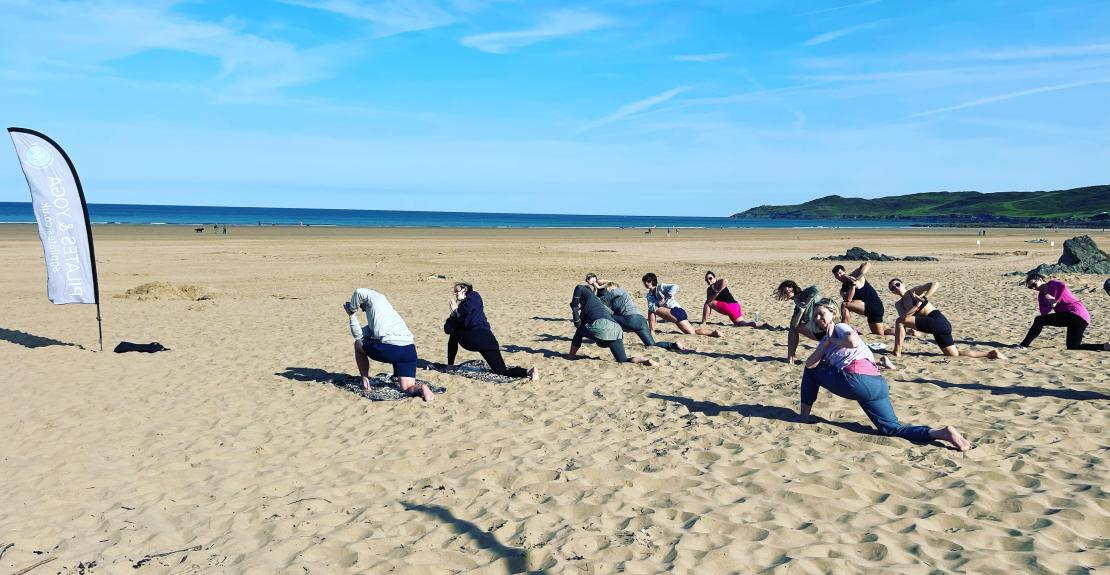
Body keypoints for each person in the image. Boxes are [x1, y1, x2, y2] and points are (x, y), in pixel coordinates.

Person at [794, 299, 972, 451]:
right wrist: (826, 345)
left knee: (812, 371)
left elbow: (852, 341)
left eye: (821, 313)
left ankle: (803, 417)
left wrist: (832, 340)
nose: (818, 318)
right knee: (892, 429)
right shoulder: (826, 339)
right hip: (877, 384)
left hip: (857, 382)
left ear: (833, 313)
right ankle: (942, 433)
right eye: (815, 315)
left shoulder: (840, 327)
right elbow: (811, 362)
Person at [345, 288, 434, 401]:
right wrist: (351, 316)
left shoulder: (376, 298)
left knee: (358, 346)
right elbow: (358, 335)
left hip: (391, 351)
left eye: (361, 306)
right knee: (406, 388)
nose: (362, 310)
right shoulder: (385, 318)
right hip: (409, 350)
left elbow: (359, 291)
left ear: (362, 301)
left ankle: (365, 380)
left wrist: (352, 309)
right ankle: (422, 388)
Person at [888, 279, 1004, 360]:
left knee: (899, 321)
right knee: (954, 354)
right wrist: (917, 306)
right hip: (933, 326)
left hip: (937, 320)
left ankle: (897, 352)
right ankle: (990, 353)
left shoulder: (913, 292)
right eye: (893, 288)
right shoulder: (899, 305)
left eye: (897, 284)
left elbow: (935, 283)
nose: (896, 288)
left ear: (902, 284)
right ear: (893, 292)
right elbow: (906, 318)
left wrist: (925, 297)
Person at [444, 283, 537, 380]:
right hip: (488, 340)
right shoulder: (462, 308)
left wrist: (455, 313)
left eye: (457, 290)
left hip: (475, 339)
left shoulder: (473, 296)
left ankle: (450, 366)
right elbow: (447, 328)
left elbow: (451, 326)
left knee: (454, 333)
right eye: (454, 292)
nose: (455, 293)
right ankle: (529, 372)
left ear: (465, 289)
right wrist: (454, 314)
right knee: (502, 372)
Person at [568, 284, 656, 365]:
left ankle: (571, 356)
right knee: (623, 360)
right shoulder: (594, 307)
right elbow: (578, 324)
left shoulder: (590, 297)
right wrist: (575, 311)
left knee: (579, 332)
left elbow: (579, 287)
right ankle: (645, 361)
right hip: (616, 330)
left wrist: (575, 307)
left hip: (603, 328)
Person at [1016, 274, 1108, 351]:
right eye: (1030, 287)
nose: (1033, 288)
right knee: (1073, 347)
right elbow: (1043, 312)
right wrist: (1051, 305)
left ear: (1040, 279)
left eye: (1034, 284)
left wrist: (1055, 300)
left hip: (1077, 314)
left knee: (1039, 320)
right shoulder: (1041, 296)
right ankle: (1105, 347)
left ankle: (1023, 345)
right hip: (1076, 320)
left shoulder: (1052, 283)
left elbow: (1062, 286)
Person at [596, 280, 682, 351]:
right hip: (641, 321)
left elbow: (610, 299)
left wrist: (598, 301)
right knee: (651, 344)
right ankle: (672, 345)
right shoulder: (614, 301)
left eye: (606, 291)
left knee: (608, 317)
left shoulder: (620, 291)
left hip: (631, 320)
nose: (605, 293)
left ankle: (607, 340)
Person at [641, 273, 721, 337]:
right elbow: (652, 305)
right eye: (644, 282)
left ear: (653, 281)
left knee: (651, 310)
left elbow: (675, 286)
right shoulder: (649, 295)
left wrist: (668, 295)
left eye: (648, 281)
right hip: (677, 313)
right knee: (692, 332)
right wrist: (659, 303)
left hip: (675, 311)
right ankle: (713, 333)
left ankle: (652, 331)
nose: (646, 283)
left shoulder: (661, 287)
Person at [833, 263, 893, 336]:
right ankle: (904, 331)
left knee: (844, 305)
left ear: (844, 272)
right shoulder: (842, 290)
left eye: (840, 273)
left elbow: (867, 264)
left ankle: (843, 329)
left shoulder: (854, 275)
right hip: (868, 310)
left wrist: (858, 278)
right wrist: (853, 285)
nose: (839, 276)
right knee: (880, 334)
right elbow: (848, 299)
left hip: (875, 306)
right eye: (836, 275)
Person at [774, 280, 823, 365]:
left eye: (786, 292)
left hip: (825, 332)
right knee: (793, 326)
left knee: (793, 327)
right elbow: (795, 324)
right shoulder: (797, 306)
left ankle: (790, 358)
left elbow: (815, 290)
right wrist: (801, 310)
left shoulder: (805, 293)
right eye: (784, 293)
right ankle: (791, 358)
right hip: (818, 332)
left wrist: (805, 304)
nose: (785, 295)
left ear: (792, 289)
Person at [700, 270, 765, 328]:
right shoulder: (709, 289)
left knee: (708, 303)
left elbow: (725, 280)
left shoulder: (718, 283)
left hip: (730, 307)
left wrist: (718, 291)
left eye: (710, 278)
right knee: (742, 323)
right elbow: (709, 298)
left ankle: (703, 322)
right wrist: (716, 294)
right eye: (706, 280)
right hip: (735, 306)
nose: (708, 280)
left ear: (715, 278)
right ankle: (763, 324)